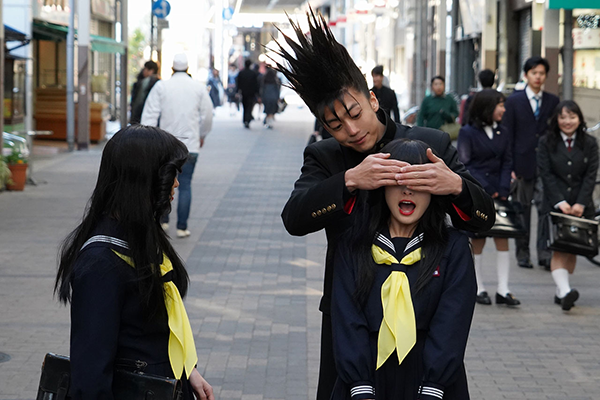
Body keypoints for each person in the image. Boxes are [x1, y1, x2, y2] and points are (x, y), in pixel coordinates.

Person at [271, 10, 495, 400]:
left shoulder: (430, 144)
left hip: (426, 318)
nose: (351, 130)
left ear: (372, 99)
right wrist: (350, 180)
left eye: (355, 113)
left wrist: (455, 186)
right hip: (351, 321)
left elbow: (484, 219)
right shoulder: (326, 158)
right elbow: (294, 218)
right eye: (336, 125)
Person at [53, 125, 214, 400]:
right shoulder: (101, 263)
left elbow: (159, 329)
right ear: (142, 178)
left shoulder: (141, 234)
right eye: (169, 173)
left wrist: (188, 371)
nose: (176, 182)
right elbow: (90, 376)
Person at [331, 139, 476, 400]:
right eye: (399, 182)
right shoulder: (353, 244)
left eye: (419, 183)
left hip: (433, 385)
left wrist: (433, 387)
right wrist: (361, 386)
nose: (407, 191)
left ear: (434, 190)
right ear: (382, 187)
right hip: (365, 381)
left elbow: (453, 323)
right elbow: (346, 318)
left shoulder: (452, 248)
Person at [457, 89, 520, 307]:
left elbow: (507, 162)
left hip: (499, 194)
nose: (503, 109)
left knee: (503, 237)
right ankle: (479, 287)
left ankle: (503, 289)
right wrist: (485, 189)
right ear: (486, 107)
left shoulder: (504, 131)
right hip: (478, 193)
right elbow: (466, 164)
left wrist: (502, 189)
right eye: (499, 105)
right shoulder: (467, 132)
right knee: (478, 240)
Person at [141, 53, 213, 238]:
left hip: (166, 146)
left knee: (163, 184)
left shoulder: (161, 86)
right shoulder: (198, 88)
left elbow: (149, 115)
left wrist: (147, 139)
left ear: (172, 68)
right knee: (186, 185)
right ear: (187, 68)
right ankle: (182, 227)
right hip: (191, 146)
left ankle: (163, 222)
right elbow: (208, 115)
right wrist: (202, 134)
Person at [538, 100, 598, 311]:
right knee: (559, 249)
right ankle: (565, 292)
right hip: (556, 205)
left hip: (581, 206)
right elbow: (546, 174)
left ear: (580, 119)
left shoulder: (589, 143)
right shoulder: (546, 142)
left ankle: (561, 290)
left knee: (572, 249)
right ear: (556, 120)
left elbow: (590, 175)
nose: (567, 121)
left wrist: (580, 203)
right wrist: (561, 202)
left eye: (572, 117)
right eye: (563, 117)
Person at [503, 56, 560, 270]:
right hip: (521, 165)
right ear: (526, 75)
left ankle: (545, 253)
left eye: (542, 73)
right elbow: (507, 136)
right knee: (522, 211)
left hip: (546, 165)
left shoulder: (553, 102)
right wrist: (509, 167)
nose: (538, 77)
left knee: (545, 210)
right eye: (534, 73)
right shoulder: (513, 101)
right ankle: (523, 254)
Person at [236, 59, 260, 129]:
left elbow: (238, 83)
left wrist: (238, 91)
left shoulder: (241, 73)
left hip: (243, 92)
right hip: (251, 93)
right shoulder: (253, 73)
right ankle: (248, 119)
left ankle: (245, 120)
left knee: (244, 106)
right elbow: (256, 84)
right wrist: (257, 93)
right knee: (249, 106)